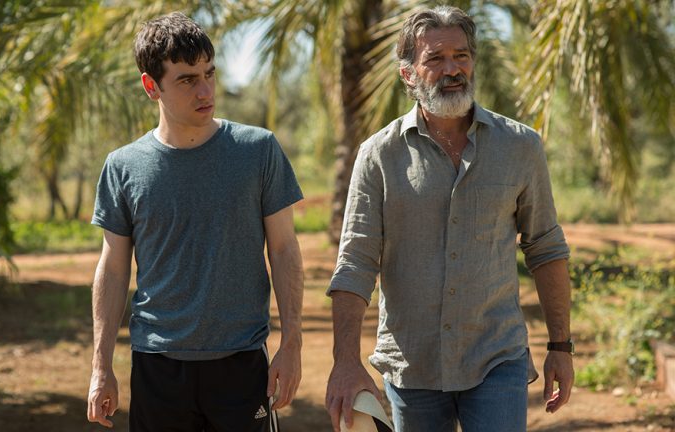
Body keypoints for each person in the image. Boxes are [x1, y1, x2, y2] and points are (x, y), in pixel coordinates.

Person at [325, 5, 574, 431]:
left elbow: (546, 247)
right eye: (435, 59)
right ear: (408, 74)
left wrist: (560, 346)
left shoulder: (520, 146)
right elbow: (355, 262)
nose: (452, 69)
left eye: (461, 56)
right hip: (412, 366)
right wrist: (345, 361)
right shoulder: (379, 155)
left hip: (497, 357)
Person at [85, 12, 304, 431]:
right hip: (157, 369)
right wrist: (101, 366)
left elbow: (284, 250)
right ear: (151, 86)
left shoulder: (258, 151)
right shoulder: (123, 167)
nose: (205, 91)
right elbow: (112, 269)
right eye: (187, 80)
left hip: (242, 365)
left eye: (209, 74)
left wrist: (292, 344)